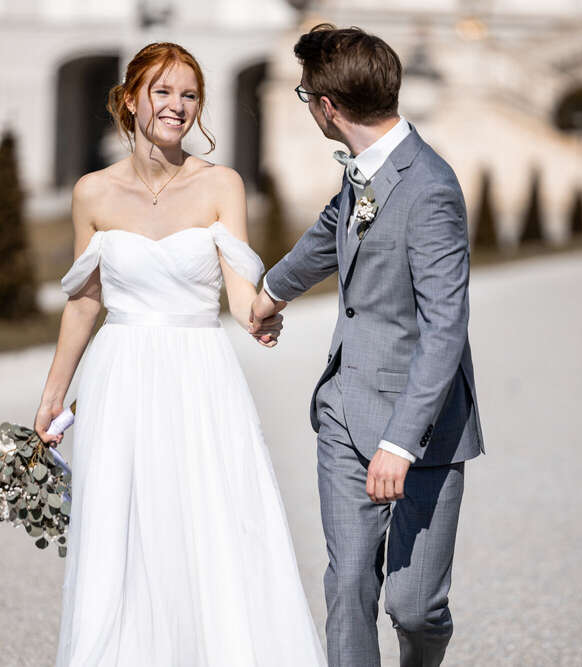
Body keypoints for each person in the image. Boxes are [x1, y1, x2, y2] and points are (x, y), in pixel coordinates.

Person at [33, 42, 326, 666]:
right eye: (163, 91)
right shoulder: (92, 193)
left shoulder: (222, 184)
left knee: (210, 521)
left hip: (200, 374)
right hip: (122, 374)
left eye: (189, 94)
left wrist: (262, 316)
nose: (177, 106)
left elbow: (243, 288)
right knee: (121, 527)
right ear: (131, 99)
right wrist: (55, 392)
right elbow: (85, 301)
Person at [249, 24, 484, 667]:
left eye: (306, 98)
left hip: (424, 431)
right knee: (348, 583)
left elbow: (445, 329)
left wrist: (401, 442)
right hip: (345, 411)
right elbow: (334, 229)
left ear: (328, 108)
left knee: (415, 607)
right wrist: (273, 291)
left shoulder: (430, 187)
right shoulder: (365, 172)